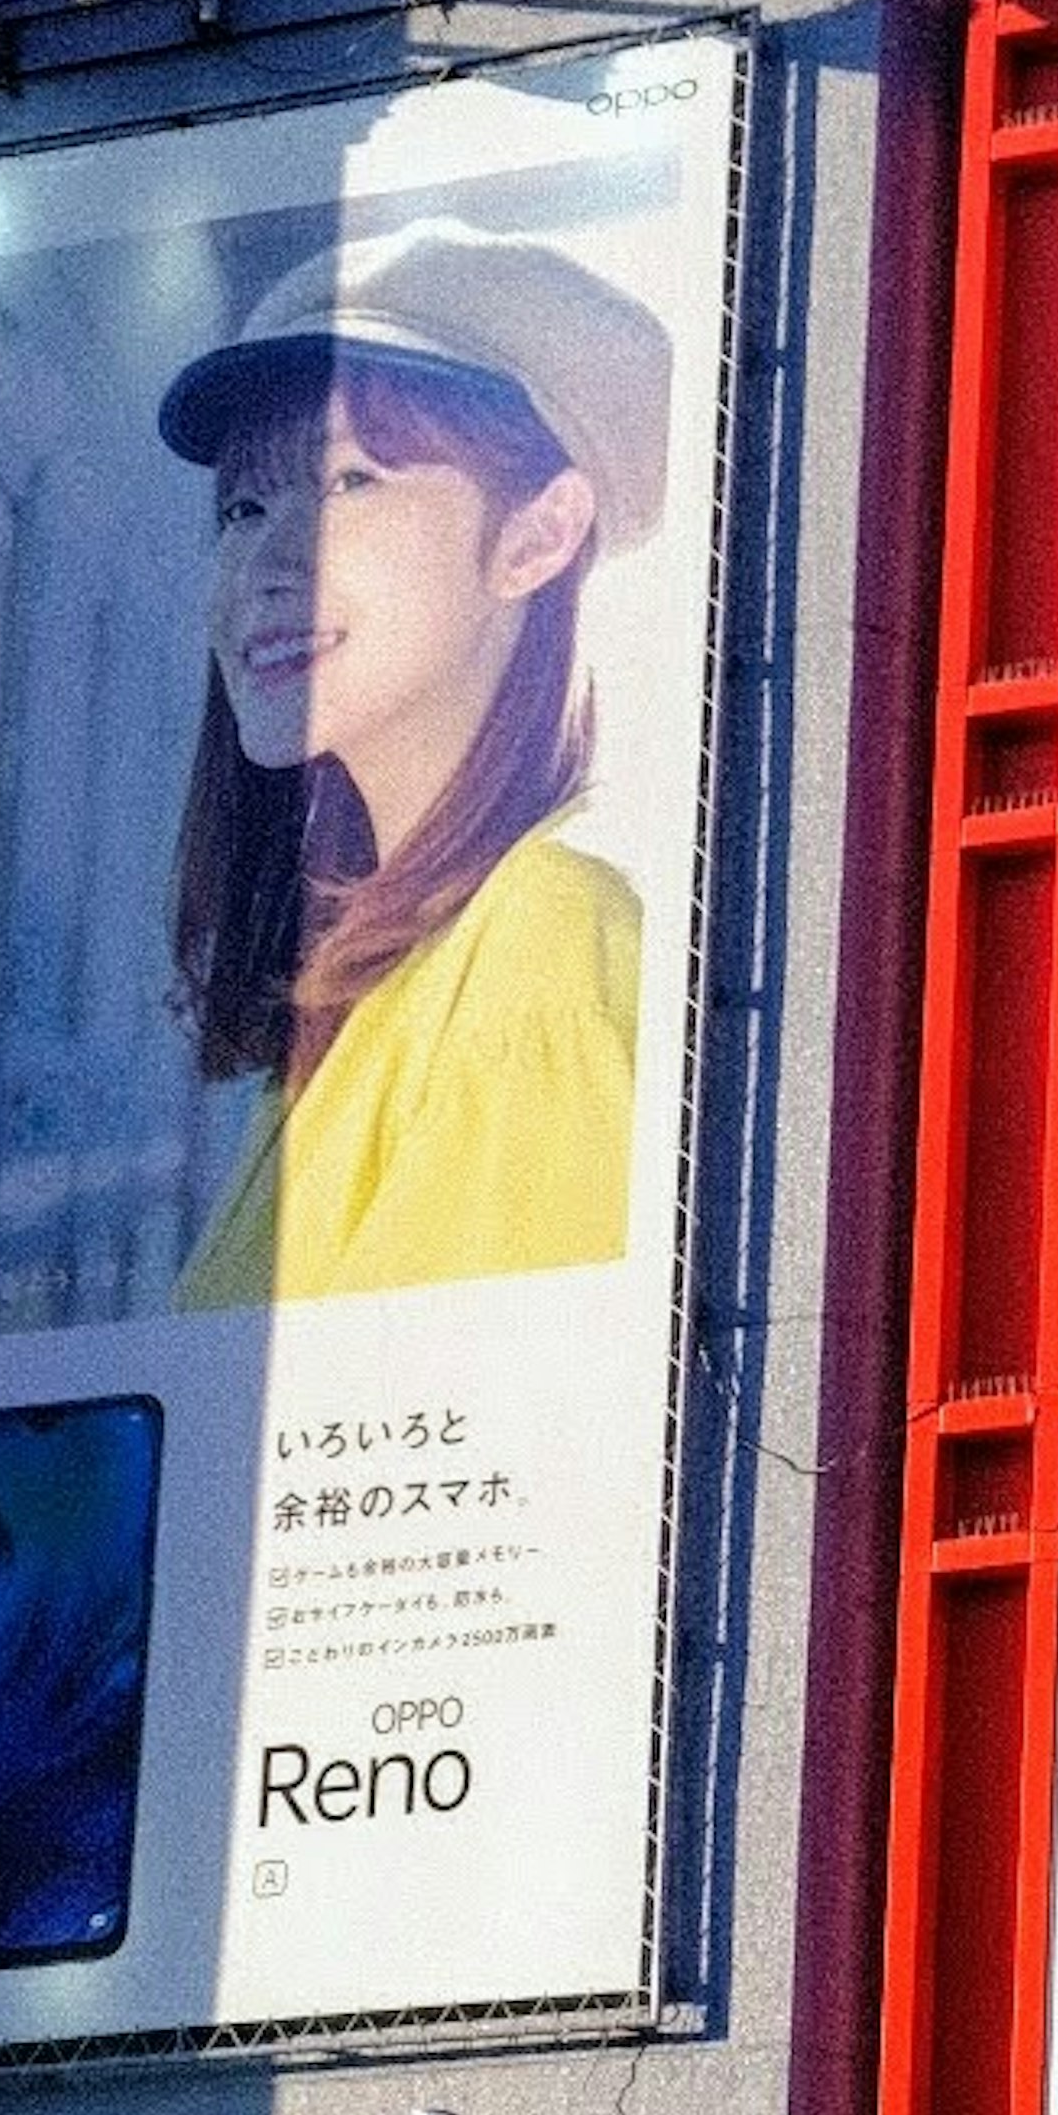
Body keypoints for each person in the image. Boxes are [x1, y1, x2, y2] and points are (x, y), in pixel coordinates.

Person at [159, 217, 670, 1310]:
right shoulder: (376, 976)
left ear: (537, 537)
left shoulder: (545, 954)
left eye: (350, 482)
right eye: (246, 504)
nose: (268, 560)